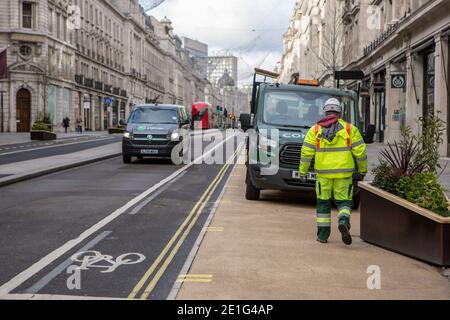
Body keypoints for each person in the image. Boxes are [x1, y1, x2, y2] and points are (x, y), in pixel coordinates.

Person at [299, 98, 367, 246]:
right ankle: (343, 221)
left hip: (323, 175)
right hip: (343, 175)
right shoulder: (350, 129)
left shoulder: (315, 130)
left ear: (325, 111)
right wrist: (363, 170)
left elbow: (306, 153)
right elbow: (360, 152)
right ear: (340, 112)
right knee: (344, 202)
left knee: (323, 204)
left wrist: (303, 172)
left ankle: (323, 236)